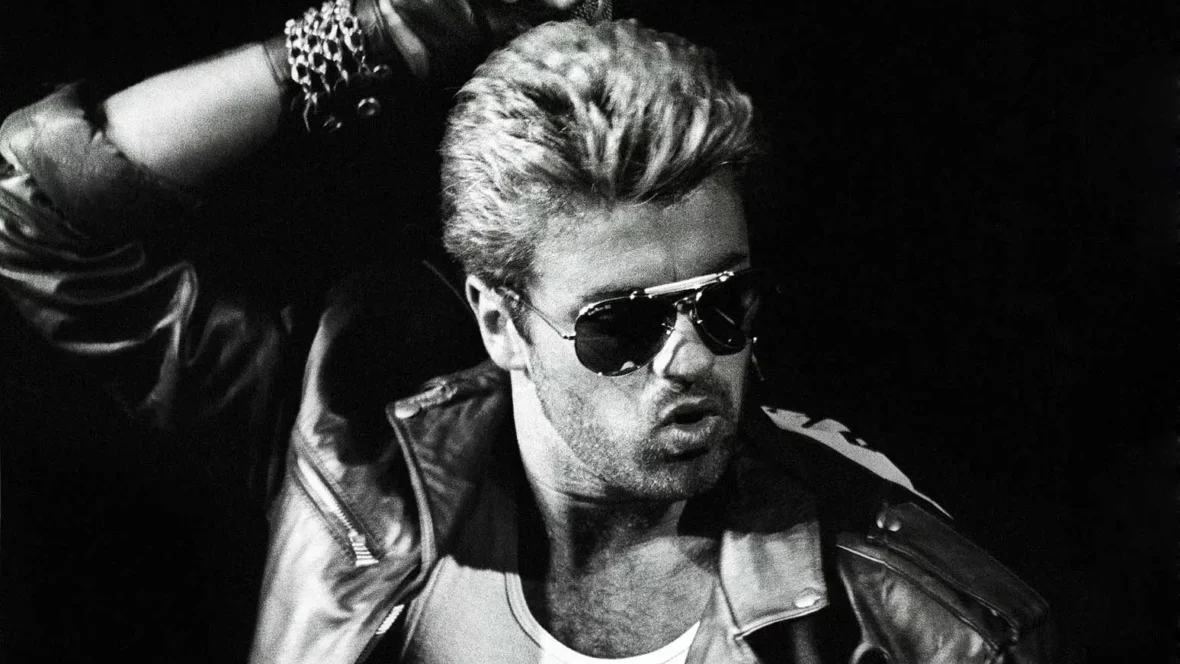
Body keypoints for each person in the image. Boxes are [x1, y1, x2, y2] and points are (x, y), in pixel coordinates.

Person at [0, 4, 1058, 664]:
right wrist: (376, 35)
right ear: (500, 320)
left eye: (720, 302)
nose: (693, 359)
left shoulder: (929, 632)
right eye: (621, 325)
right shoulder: (351, 446)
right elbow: (36, 212)